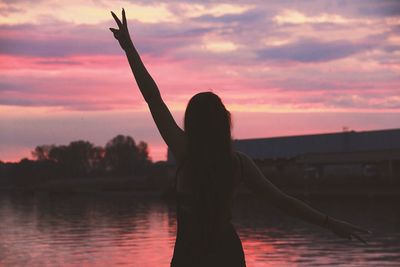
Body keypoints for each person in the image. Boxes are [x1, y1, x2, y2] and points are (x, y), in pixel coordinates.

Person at [109, 9, 370, 267]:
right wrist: (330, 223)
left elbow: (153, 99)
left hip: (190, 255)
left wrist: (129, 48)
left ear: (193, 123)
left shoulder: (185, 152)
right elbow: (283, 201)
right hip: (227, 254)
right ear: (223, 124)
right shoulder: (238, 164)